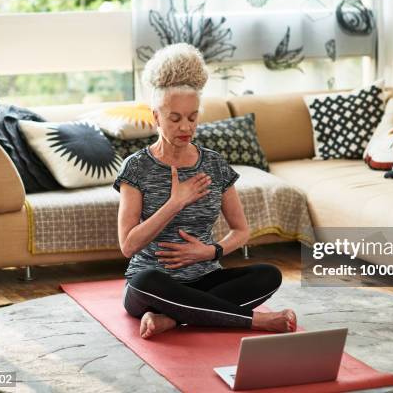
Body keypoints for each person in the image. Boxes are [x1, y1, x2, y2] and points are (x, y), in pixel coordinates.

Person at [113, 43, 297, 339]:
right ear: (156, 117)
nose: (185, 127)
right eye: (175, 118)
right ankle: (254, 322)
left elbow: (241, 231)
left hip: (205, 278)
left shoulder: (214, 164)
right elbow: (128, 246)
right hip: (153, 284)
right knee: (145, 281)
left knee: (269, 275)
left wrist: (210, 251)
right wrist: (175, 202)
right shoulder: (136, 168)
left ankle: (173, 319)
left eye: (192, 117)